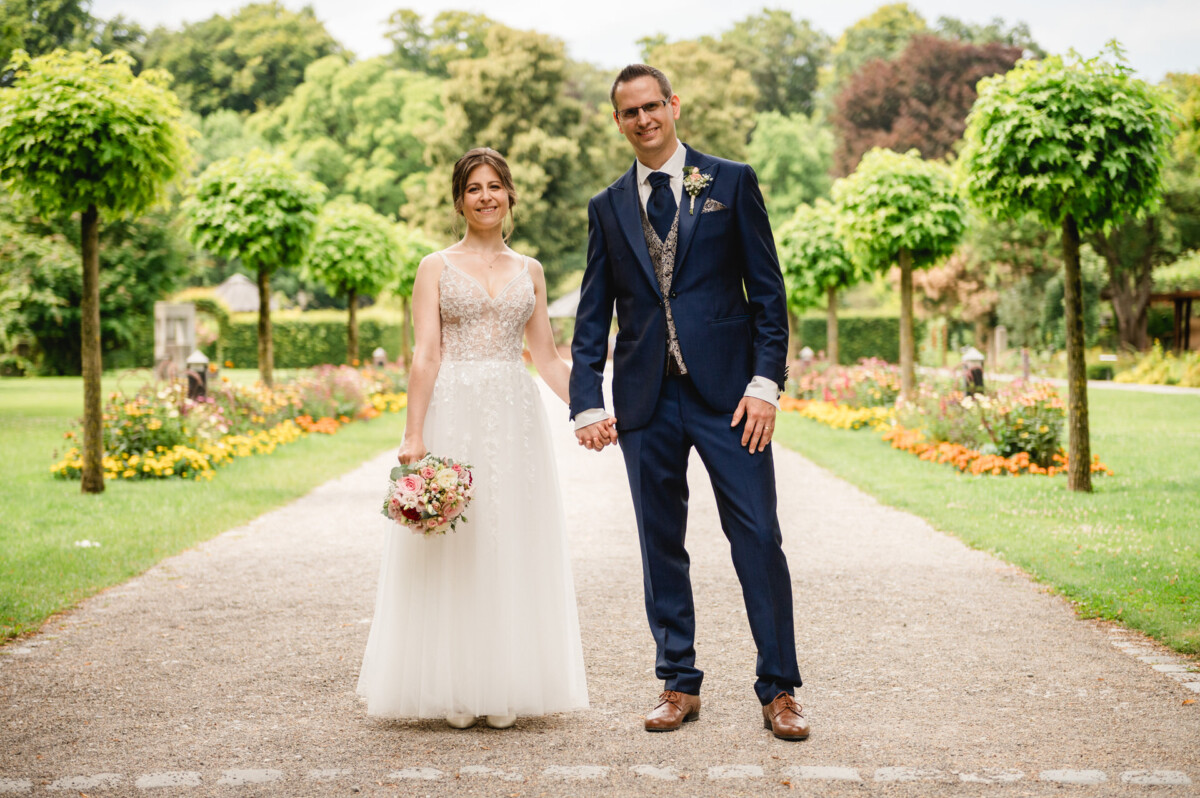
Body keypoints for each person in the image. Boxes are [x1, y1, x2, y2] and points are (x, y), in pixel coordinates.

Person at [569, 65, 808, 740]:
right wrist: (586, 400)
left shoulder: (730, 181)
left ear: (674, 105)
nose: (643, 119)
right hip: (646, 401)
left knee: (759, 536)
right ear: (617, 121)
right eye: (629, 112)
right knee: (660, 544)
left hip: (731, 400)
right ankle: (677, 682)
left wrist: (766, 384)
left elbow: (768, 294)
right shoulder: (607, 206)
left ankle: (780, 689)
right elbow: (593, 316)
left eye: (653, 106)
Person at [357, 147, 588, 729]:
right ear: (459, 200)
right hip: (454, 411)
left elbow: (547, 358)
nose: (485, 196)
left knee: (510, 539)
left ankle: (505, 683)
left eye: (494, 186)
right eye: (473, 188)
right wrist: (413, 434)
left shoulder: (530, 270)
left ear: (510, 194)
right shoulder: (435, 266)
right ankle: (455, 686)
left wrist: (592, 410)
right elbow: (426, 353)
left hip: (515, 415)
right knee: (457, 544)